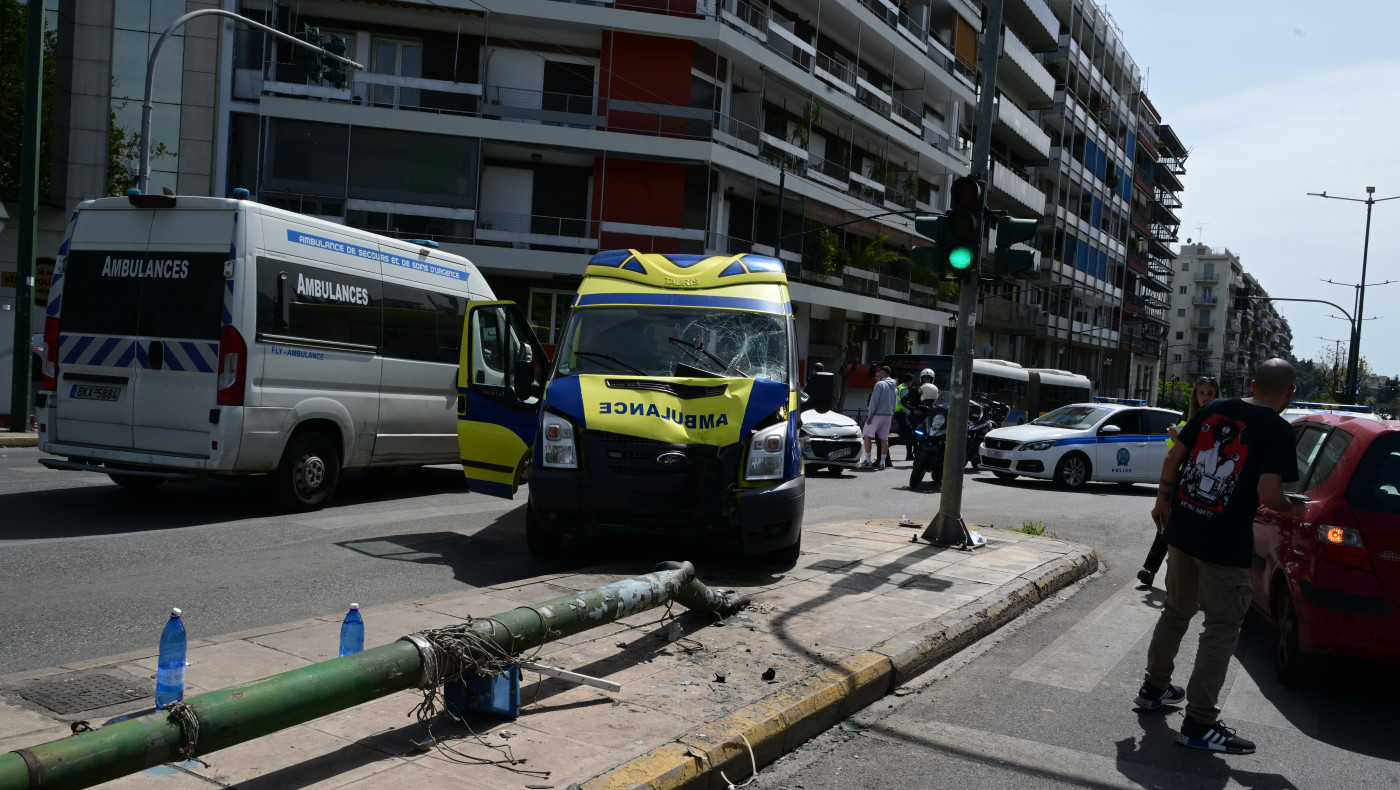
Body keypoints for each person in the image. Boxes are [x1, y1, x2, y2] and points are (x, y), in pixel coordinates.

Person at [1135, 359, 1304, 755]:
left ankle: (1154, 689)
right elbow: (1268, 494)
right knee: (1221, 628)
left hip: (1182, 530)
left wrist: (1163, 499)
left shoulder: (1213, 408)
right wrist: (1296, 510)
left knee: (1176, 612)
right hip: (1224, 545)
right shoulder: (1278, 430)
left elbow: (1172, 457)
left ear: (1252, 383)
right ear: (1289, 392)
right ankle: (1199, 723)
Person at [1138, 376, 1219, 587]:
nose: (1205, 397)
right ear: (1195, 395)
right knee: (1167, 522)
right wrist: (1173, 439)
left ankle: (1197, 579)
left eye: (1210, 393)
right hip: (1182, 478)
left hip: (1207, 481)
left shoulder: (1221, 418)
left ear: (1217, 394)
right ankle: (1149, 568)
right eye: (1202, 393)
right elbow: (1173, 453)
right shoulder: (1187, 417)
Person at [860, 366, 896, 470]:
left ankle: (868, 460)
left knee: (867, 435)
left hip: (877, 414)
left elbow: (874, 402)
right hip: (888, 415)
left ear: (883, 373)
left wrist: (869, 416)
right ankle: (882, 462)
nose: (878, 375)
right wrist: (892, 415)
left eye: (879, 373)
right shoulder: (894, 386)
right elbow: (894, 404)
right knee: (884, 438)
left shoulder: (880, 384)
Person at [893, 373, 915, 461]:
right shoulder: (904, 389)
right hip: (901, 413)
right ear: (910, 381)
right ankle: (887, 444)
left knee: (909, 434)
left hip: (898, 412)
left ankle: (909, 455)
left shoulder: (899, 386)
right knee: (904, 436)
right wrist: (910, 413)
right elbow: (904, 403)